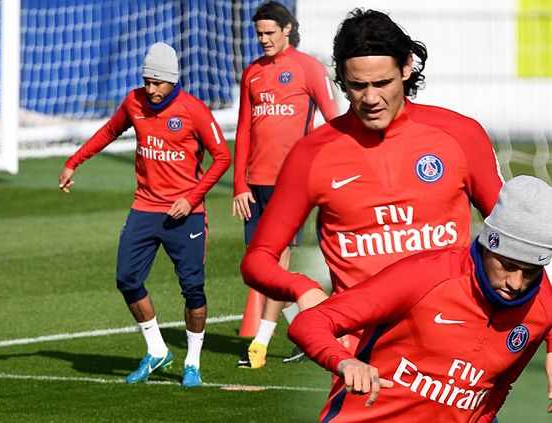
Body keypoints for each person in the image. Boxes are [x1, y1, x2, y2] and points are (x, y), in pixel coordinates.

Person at [240, 8, 504, 357]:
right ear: (342, 80)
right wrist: (301, 287)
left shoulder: (460, 135)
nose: (370, 98)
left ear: (406, 68)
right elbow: (258, 259)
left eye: (382, 83)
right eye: (357, 85)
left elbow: (517, 239)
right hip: (362, 362)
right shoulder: (312, 154)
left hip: (455, 357)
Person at [290, 175, 552, 422]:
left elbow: (498, 388)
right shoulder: (424, 277)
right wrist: (343, 361)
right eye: (506, 265)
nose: (516, 283)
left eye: (530, 271)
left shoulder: (541, 310)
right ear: (487, 244)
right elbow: (311, 321)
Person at [58, 42, 231, 388]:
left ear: (172, 81)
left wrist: (192, 197)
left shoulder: (194, 110)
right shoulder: (134, 102)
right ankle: (156, 350)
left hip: (187, 215)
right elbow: (109, 131)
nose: (150, 89)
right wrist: (74, 161)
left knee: (193, 291)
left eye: (157, 83)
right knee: (127, 279)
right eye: (147, 81)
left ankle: (192, 363)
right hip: (145, 208)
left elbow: (222, 156)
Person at [233, 0, 340, 369]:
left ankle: (260, 346)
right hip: (254, 182)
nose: (263, 39)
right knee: (258, 264)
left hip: (291, 183)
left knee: (275, 259)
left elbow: (333, 122)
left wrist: (322, 170)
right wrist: (238, 185)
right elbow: (244, 129)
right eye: (258, 34)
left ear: (287, 30)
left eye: (269, 33)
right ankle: (316, 318)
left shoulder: (308, 68)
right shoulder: (252, 73)